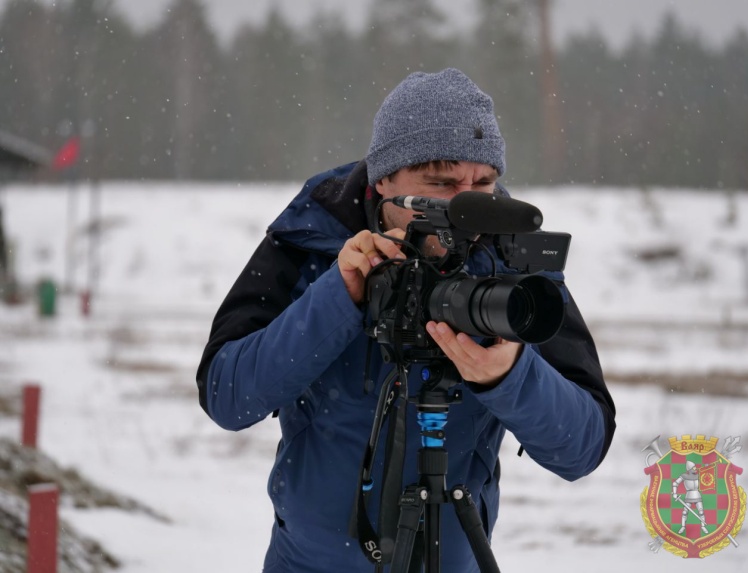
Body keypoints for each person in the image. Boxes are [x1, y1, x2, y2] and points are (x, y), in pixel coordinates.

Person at [197, 68, 616, 572]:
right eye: (442, 184)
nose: (466, 205)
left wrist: (509, 377)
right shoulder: (313, 239)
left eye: (483, 183)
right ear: (383, 179)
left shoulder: (515, 263)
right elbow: (227, 396)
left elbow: (582, 448)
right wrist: (339, 299)